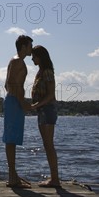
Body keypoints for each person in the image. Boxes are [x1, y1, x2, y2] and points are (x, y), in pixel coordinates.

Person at [3, 35, 33, 188]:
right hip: (14, 102)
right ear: (23, 47)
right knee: (11, 139)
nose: (31, 49)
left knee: (12, 139)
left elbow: (7, 85)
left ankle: (13, 175)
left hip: (13, 101)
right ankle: (12, 177)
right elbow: (11, 84)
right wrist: (22, 103)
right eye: (29, 46)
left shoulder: (14, 60)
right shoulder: (17, 61)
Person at [31, 45, 60, 188]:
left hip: (47, 109)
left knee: (49, 145)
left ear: (40, 57)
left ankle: (55, 179)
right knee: (47, 144)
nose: (32, 59)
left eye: (34, 56)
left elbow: (50, 95)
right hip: (42, 110)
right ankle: (54, 178)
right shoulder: (40, 72)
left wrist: (36, 105)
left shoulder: (47, 72)